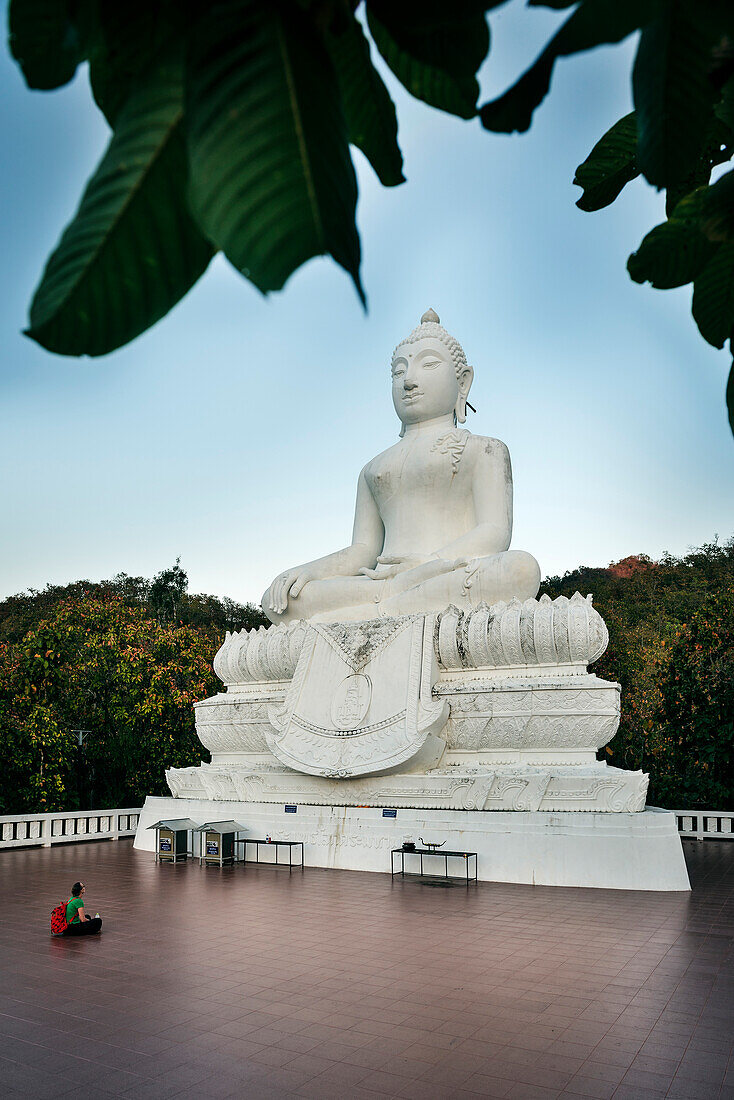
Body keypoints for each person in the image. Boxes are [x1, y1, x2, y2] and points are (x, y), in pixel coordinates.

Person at [262, 309, 540, 623]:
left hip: (440, 574)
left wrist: (426, 566)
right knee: (278, 600)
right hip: (380, 583)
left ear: (463, 382)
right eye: (398, 371)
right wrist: (310, 571)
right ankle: (387, 605)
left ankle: (370, 614)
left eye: (429, 364)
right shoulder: (372, 468)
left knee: (520, 569)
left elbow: (494, 533)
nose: (408, 381)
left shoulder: (485, 449)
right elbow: (364, 550)